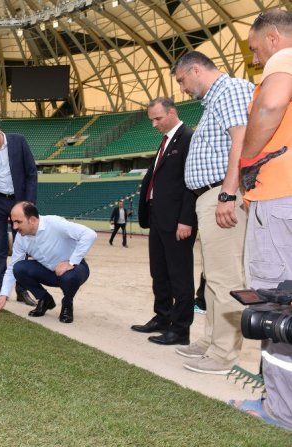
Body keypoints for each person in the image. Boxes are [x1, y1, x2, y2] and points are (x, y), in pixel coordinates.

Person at [171, 50, 254, 374]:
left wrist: (227, 193)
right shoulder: (215, 100)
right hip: (210, 196)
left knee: (225, 278)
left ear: (195, 70)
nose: (182, 88)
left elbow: (242, 139)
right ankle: (211, 342)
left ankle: (224, 354)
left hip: (221, 193)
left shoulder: (230, 90)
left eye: (181, 80)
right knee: (212, 279)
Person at [229, 9, 292, 431]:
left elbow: (270, 102)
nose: (254, 58)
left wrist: (249, 157)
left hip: (279, 197)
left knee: (276, 304)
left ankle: (280, 410)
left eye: (254, 48)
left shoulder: (283, 59)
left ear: (272, 37)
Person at [132, 97, 197, 346]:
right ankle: (162, 317)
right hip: (159, 217)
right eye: (151, 120)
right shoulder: (166, 141)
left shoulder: (188, 138)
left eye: (158, 118)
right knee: (158, 271)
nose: (154, 124)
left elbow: (190, 183)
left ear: (172, 112)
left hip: (178, 221)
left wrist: (186, 220)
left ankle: (180, 330)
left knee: (179, 275)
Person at [0, 202, 96, 323]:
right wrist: (3, 295)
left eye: (18, 222)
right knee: (18, 268)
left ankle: (67, 304)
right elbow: (12, 267)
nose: (15, 227)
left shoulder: (54, 223)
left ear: (32, 220)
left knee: (69, 277)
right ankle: (45, 299)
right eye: (13, 222)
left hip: (75, 269)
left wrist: (71, 262)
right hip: (49, 271)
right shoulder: (21, 238)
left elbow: (89, 234)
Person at [0, 120, 38, 306]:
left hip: (19, 201)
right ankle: (1, 289)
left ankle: (22, 290)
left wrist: (28, 204)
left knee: (22, 246)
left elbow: (31, 173)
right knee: (0, 247)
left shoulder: (18, 141)